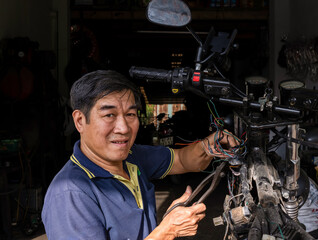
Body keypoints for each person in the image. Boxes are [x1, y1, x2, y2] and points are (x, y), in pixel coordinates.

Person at [41, 70, 239, 240]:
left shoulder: (132, 157)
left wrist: (210, 144)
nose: (123, 128)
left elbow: (181, 159)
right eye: (109, 115)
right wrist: (166, 231)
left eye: (130, 114)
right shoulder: (70, 194)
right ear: (80, 121)